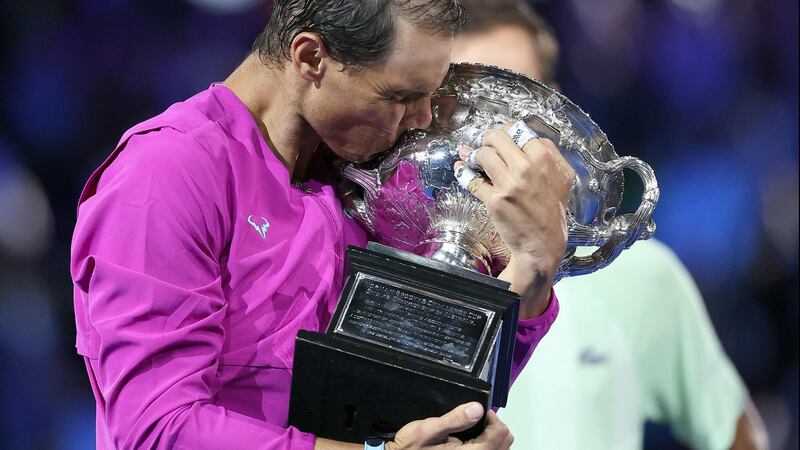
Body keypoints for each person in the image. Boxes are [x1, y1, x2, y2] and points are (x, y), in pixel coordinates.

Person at [69, 1, 576, 449]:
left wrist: (535, 264)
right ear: (311, 58)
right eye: (400, 96)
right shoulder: (166, 172)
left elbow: (430, 386)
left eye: (431, 94)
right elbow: (156, 430)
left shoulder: (367, 178)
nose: (422, 118)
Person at [451, 1, 769, 449]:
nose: (497, 134)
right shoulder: (391, 264)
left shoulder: (639, 276)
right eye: (475, 102)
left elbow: (739, 435)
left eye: (519, 103)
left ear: (559, 114)